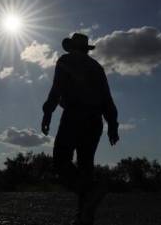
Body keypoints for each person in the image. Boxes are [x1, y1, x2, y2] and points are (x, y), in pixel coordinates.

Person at [41, 33, 119, 225]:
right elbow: (107, 99)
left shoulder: (65, 60)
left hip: (74, 115)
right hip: (95, 120)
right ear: (86, 48)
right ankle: (84, 217)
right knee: (86, 167)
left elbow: (56, 88)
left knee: (61, 161)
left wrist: (48, 112)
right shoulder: (97, 67)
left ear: (72, 47)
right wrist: (112, 126)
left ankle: (89, 196)